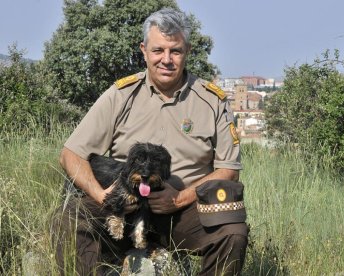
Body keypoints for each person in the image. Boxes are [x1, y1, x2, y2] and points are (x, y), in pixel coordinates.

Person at [52, 7, 248, 276]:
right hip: (125, 206)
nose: (166, 59)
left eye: (175, 51)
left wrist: (178, 199)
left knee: (232, 232)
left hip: (185, 210)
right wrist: (102, 196)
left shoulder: (212, 100)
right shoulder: (120, 95)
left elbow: (229, 170)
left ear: (187, 51)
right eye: (158, 50)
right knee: (70, 219)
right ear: (143, 50)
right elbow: (70, 155)